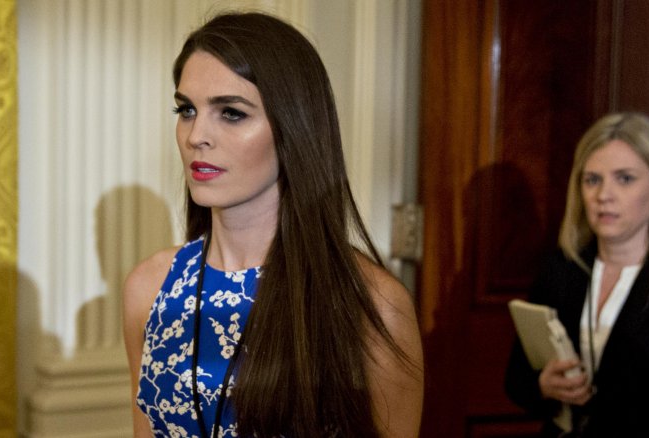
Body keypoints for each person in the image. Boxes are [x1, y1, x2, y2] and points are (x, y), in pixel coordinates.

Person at [122, 12, 424, 438]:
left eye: (230, 112)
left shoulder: (371, 305)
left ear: (294, 127)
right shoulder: (149, 288)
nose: (195, 136)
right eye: (186, 109)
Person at [504, 112, 649, 437]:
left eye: (624, 179)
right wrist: (543, 384)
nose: (603, 195)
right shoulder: (561, 269)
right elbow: (515, 381)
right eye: (592, 179)